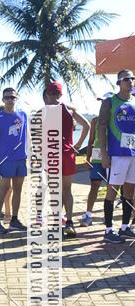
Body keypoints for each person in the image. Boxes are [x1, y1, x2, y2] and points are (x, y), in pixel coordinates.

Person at [42, 81, 89, 239]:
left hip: (52, 155)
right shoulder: (69, 109)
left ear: (47, 95)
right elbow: (87, 126)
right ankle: (69, 222)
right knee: (67, 190)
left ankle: (57, 225)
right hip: (68, 154)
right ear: (60, 94)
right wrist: (78, 145)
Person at [97, 70, 135, 243]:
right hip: (117, 154)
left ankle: (125, 227)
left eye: (133, 78)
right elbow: (101, 128)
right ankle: (108, 230)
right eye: (127, 79)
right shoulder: (110, 102)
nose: (130, 81)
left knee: (129, 190)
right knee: (112, 190)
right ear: (119, 82)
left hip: (132, 153)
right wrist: (104, 154)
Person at [0, 87, 29, 234]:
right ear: (3, 100)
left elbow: (27, 136)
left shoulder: (23, 115)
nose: (10, 100)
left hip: (21, 158)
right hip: (6, 159)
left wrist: (31, 153)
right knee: (3, 190)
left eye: (12, 97)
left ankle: (14, 220)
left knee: (18, 190)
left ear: (16, 98)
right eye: (7, 97)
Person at [81, 107, 108, 225]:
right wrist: (87, 158)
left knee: (111, 188)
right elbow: (91, 140)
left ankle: (108, 216)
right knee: (94, 186)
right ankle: (88, 215)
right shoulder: (95, 120)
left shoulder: (115, 119)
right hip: (97, 160)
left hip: (112, 158)